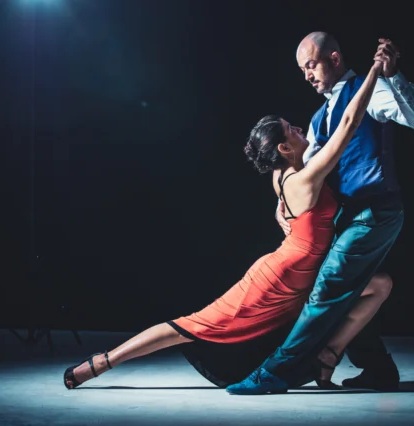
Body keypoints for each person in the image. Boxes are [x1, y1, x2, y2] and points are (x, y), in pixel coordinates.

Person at [63, 53, 389, 391]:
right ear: (284, 147)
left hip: (304, 271)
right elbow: (350, 123)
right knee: (192, 326)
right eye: (293, 130)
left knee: (379, 285)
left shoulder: (282, 172)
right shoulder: (305, 180)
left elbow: (284, 208)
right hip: (279, 280)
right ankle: (102, 362)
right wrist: (374, 72)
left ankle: (328, 356)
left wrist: (281, 214)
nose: (300, 128)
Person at [226, 32, 414, 395]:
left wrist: (394, 76)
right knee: (350, 289)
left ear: (334, 59)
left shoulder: (372, 90)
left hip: (375, 209)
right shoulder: (319, 117)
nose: (307, 75)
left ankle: (276, 372)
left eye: (311, 65)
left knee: (328, 289)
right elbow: (307, 167)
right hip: (347, 217)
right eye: (302, 69)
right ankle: (377, 368)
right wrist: (282, 200)